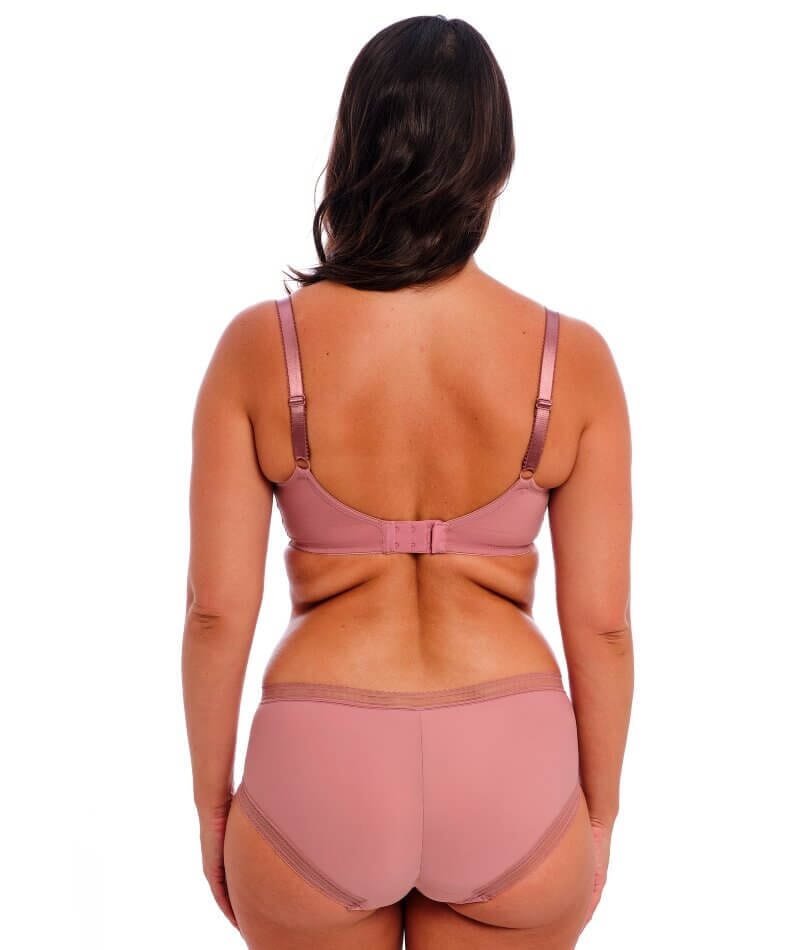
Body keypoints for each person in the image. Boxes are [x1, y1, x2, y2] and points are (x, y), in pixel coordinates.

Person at [182, 14, 633, 950]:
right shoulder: (574, 362)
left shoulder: (260, 349)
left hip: (319, 770)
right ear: (494, 165)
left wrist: (212, 806)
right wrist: (597, 818)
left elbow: (216, 612)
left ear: (351, 145)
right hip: (510, 770)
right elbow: (603, 627)